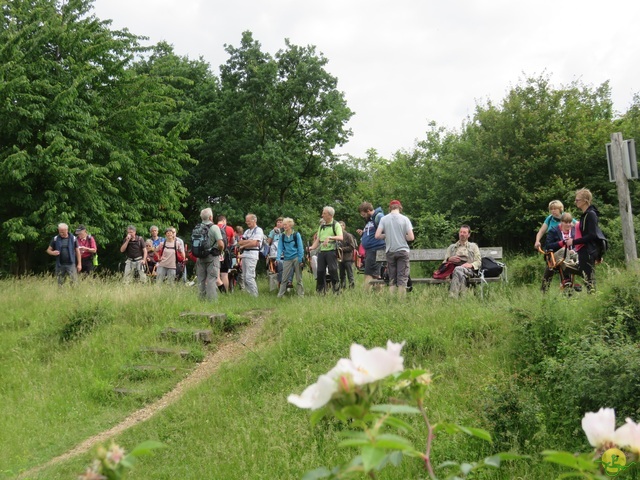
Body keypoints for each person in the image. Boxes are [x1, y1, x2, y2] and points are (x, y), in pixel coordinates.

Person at [375, 200, 415, 296]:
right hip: (402, 251)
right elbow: (411, 237)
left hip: (390, 251)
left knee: (392, 278)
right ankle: (401, 301)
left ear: (390, 208)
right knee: (402, 278)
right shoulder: (405, 219)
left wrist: (387, 235)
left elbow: (377, 235)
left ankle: (392, 300)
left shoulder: (384, 219)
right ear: (399, 207)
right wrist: (402, 236)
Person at [565, 188, 600, 293]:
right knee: (586, 278)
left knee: (589, 279)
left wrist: (573, 242)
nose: (575, 202)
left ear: (585, 200)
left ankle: (593, 300)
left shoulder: (591, 214)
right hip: (582, 250)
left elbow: (593, 235)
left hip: (587, 250)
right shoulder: (585, 215)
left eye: (577, 200)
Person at [541, 212, 580, 292]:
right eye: (566, 222)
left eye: (570, 222)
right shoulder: (553, 231)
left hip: (570, 255)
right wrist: (561, 243)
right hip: (556, 255)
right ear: (561, 222)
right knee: (563, 250)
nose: (568, 225)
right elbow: (548, 246)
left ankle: (582, 279)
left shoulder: (574, 230)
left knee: (580, 253)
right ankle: (567, 278)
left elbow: (578, 243)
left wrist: (574, 250)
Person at [308, 206, 343, 294]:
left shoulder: (336, 224)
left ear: (330, 215)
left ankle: (336, 291)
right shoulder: (321, 226)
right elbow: (318, 239)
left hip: (331, 251)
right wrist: (312, 247)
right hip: (322, 251)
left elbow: (340, 237)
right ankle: (320, 291)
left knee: (333, 270)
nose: (322, 215)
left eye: (324, 213)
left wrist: (330, 237)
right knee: (320, 271)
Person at [444, 225, 481, 298]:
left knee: (458, 270)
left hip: (469, 271)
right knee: (458, 271)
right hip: (453, 271)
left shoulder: (473, 246)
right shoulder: (452, 247)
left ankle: (453, 297)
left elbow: (478, 261)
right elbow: (444, 262)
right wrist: (449, 259)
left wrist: (471, 265)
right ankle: (463, 297)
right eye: (461, 232)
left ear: (468, 235)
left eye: (464, 232)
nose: (462, 234)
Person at [195, 208, 225, 301]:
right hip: (212, 256)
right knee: (212, 279)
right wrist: (221, 250)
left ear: (201, 217)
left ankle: (201, 300)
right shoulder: (214, 227)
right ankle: (212, 301)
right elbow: (220, 244)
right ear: (211, 217)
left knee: (201, 279)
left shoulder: (197, 227)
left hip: (200, 256)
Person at [357, 202, 386, 290]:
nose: (363, 216)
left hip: (376, 248)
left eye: (363, 214)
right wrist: (363, 235)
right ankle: (377, 293)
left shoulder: (379, 217)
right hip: (370, 250)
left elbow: (385, 230)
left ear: (368, 210)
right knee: (375, 273)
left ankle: (367, 294)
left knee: (369, 273)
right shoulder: (370, 220)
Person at [277, 218, 305, 297]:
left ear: (290, 225)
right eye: (283, 225)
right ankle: (280, 295)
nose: (284, 226)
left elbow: (300, 247)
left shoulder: (296, 234)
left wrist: (300, 260)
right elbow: (280, 248)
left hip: (296, 257)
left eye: (285, 224)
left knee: (299, 278)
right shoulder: (282, 236)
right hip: (287, 258)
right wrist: (278, 258)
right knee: (284, 278)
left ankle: (301, 295)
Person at [237, 213, 264, 297]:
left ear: (254, 220)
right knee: (245, 277)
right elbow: (240, 242)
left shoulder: (258, 230)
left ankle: (255, 296)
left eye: (248, 221)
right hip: (245, 255)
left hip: (252, 255)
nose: (247, 223)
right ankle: (250, 296)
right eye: (246, 221)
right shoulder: (247, 231)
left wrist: (245, 244)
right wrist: (249, 241)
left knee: (249, 277)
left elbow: (256, 243)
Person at [217, 215, 236, 292]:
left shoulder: (213, 227)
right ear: (224, 220)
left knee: (216, 274)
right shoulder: (229, 228)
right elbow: (232, 241)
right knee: (224, 274)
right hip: (225, 252)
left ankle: (217, 291)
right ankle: (225, 293)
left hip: (215, 252)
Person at [338, 221, 358, 289]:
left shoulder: (348, 235)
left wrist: (342, 249)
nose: (340, 227)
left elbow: (352, 246)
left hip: (348, 258)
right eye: (339, 226)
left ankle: (352, 288)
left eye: (341, 225)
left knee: (350, 275)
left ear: (344, 226)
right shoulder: (337, 236)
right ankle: (343, 288)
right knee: (341, 275)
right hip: (340, 258)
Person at [267, 217, 285, 284]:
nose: (279, 223)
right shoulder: (273, 231)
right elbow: (268, 242)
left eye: (280, 222)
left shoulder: (285, 231)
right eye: (278, 222)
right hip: (274, 250)